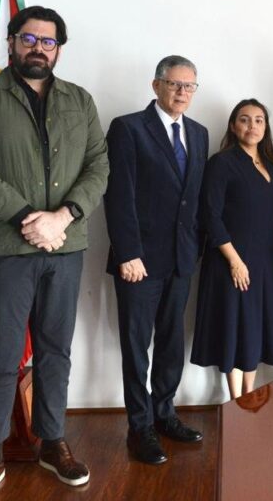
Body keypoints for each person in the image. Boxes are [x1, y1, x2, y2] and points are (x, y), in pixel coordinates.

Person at [0, 6, 108, 500]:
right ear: (12, 41)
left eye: (48, 41)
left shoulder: (79, 101)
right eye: (28, 38)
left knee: (55, 350)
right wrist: (28, 217)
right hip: (2, 247)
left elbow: (98, 165)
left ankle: (51, 441)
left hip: (65, 244)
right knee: (1, 355)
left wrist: (63, 217)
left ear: (59, 48)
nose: (38, 47)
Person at [104, 55, 208, 465]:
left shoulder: (198, 133)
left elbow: (193, 199)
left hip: (181, 259)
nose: (182, 92)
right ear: (156, 85)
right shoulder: (128, 128)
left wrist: (195, 247)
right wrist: (128, 252)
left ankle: (164, 413)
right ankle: (139, 425)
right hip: (139, 262)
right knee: (136, 345)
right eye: (174, 84)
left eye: (189, 86)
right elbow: (118, 196)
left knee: (170, 342)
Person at [191, 99, 273, 399]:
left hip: (266, 262)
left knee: (255, 327)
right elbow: (211, 215)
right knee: (234, 326)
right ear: (234, 126)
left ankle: (250, 390)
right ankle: (235, 399)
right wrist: (234, 261)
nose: (252, 126)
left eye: (259, 120)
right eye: (245, 120)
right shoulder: (222, 163)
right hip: (231, 260)